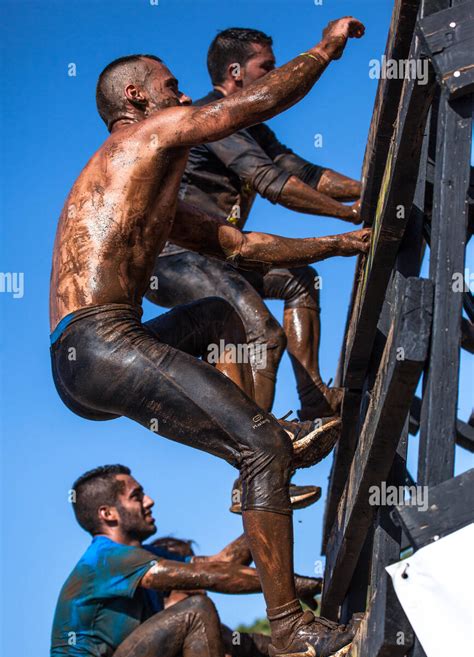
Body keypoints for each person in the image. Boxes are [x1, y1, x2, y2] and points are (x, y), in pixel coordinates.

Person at [49, 17, 367, 657]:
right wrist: (326, 49)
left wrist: (336, 246)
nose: (183, 96)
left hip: (81, 361)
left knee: (223, 316)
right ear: (135, 99)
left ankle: (258, 444)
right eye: (170, 87)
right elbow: (252, 104)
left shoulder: (145, 186)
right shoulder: (141, 135)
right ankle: (293, 634)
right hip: (105, 339)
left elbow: (243, 248)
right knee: (262, 450)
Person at [147, 26, 362, 421]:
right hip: (177, 260)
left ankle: (313, 398)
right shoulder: (210, 119)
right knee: (262, 336)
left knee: (300, 279)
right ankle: (258, 466)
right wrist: (351, 214)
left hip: (218, 254)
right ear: (235, 73)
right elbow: (272, 183)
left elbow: (303, 172)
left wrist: (368, 193)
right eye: (268, 66)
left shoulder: (251, 128)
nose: (276, 74)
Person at [51, 466, 321, 657]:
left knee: (202, 624)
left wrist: (268, 507)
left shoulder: (143, 557)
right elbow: (207, 578)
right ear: (107, 514)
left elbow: (220, 564)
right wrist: (301, 585)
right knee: (195, 612)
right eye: (137, 496)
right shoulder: (103, 560)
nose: (149, 501)